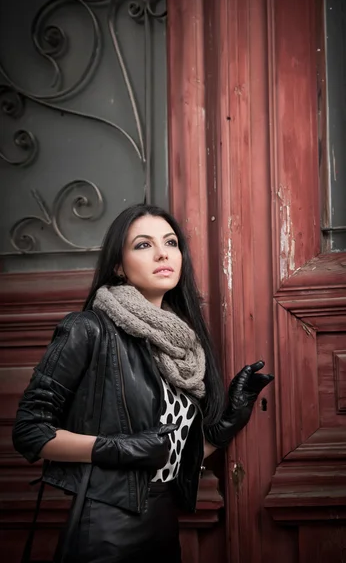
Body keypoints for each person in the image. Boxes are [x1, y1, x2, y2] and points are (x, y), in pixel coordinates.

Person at [12, 203, 274, 563]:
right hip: (106, 530)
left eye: (170, 242)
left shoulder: (182, 348)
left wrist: (229, 422)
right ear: (118, 266)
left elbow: (168, 454)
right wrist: (118, 449)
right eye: (143, 244)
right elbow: (30, 431)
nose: (163, 252)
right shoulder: (88, 329)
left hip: (163, 526)